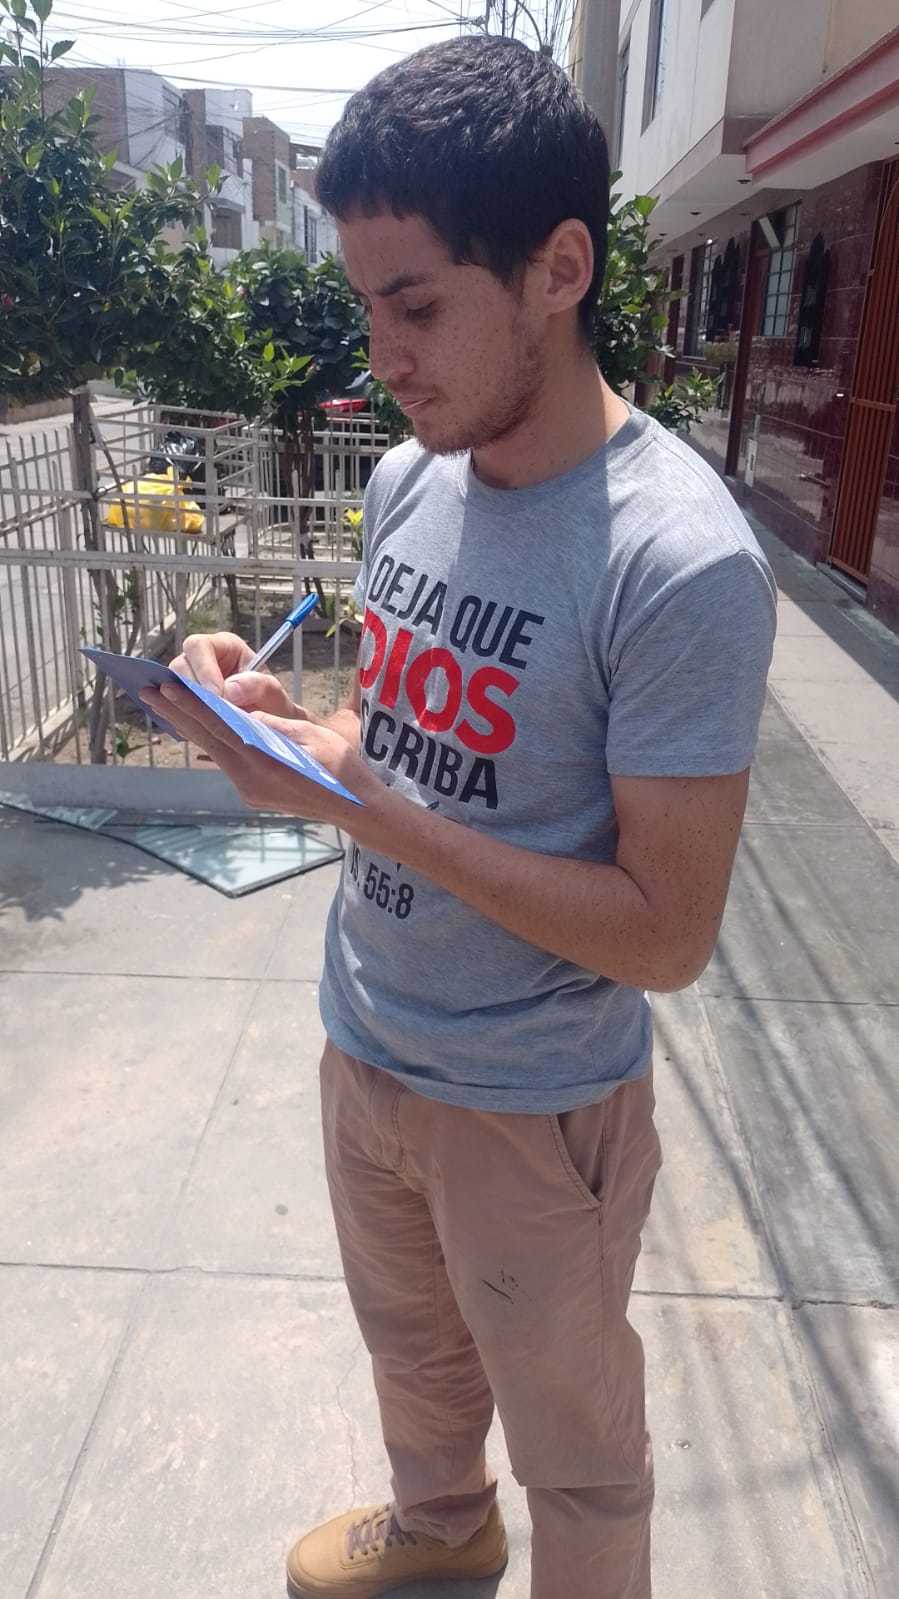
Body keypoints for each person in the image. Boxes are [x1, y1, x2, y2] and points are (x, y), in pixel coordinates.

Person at [144, 36, 776, 1599]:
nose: (385, 356)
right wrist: (279, 725)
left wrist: (374, 812)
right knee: (412, 1359)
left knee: (581, 1456)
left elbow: (668, 936)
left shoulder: (679, 563)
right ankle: (442, 1529)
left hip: (532, 1105)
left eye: (417, 306)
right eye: (368, 305)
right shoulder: (414, 484)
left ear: (558, 270)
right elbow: (407, 743)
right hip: (368, 1037)